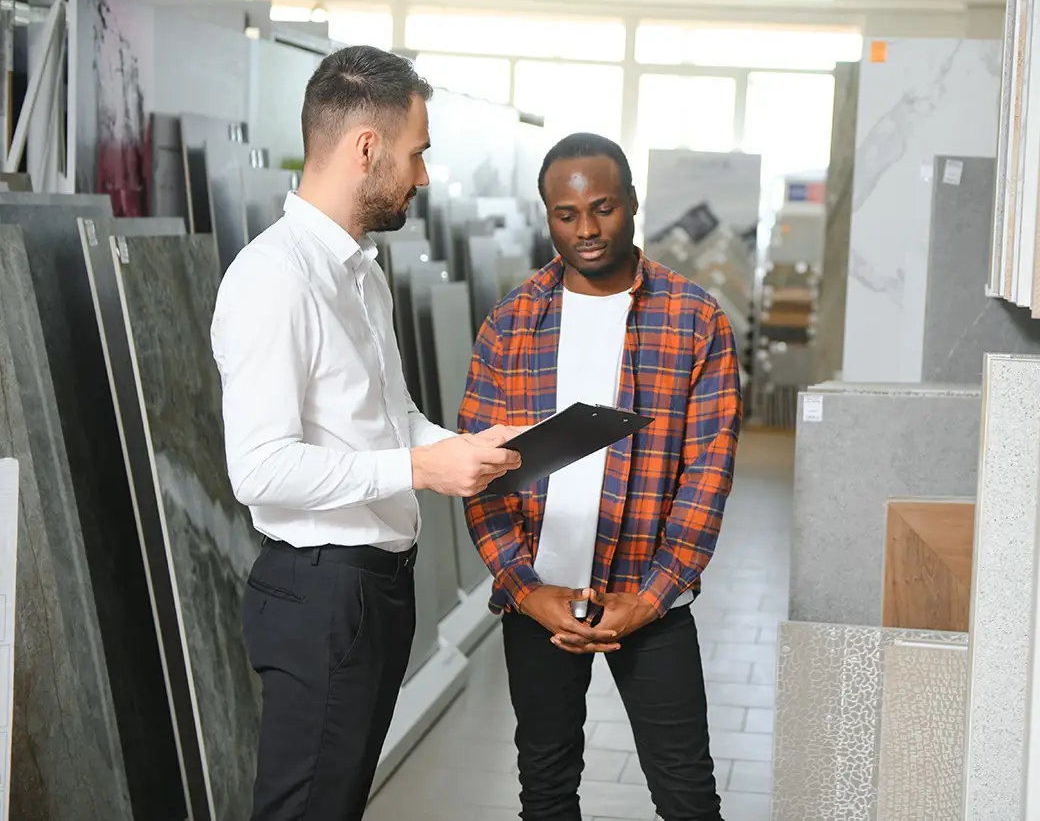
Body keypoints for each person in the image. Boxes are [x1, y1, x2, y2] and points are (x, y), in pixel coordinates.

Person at [211, 45, 523, 821]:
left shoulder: (361, 273)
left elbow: (390, 418)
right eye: (417, 154)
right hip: (322, 593)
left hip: (372, 590)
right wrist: (419, 469)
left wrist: (465, 448)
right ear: (365, 147)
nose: (423, 176)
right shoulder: (274, 278)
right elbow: (259, 468)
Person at [459, 132, 742, 821]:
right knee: (546, 791)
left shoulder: (694, 319)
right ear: (548, 216)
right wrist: (525, 589)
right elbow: (482, 476)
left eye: (603, 208)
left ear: (633, 203)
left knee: (688, 796)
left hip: (649, 597)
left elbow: (707, 474)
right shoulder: (510, 324)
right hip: (541, 600)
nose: (585, 229)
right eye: (566, 214)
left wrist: (650, 597)